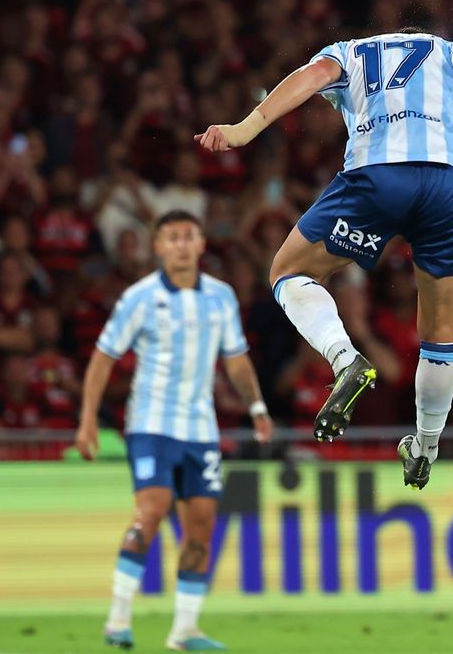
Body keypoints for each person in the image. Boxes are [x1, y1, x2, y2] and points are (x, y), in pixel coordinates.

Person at [195, 29, 453, 488]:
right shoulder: (444, 51)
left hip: (379, 174)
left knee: (289, 271)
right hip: (452, 180)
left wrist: (242, 129)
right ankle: (426, 446)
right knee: (442, 328)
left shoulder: (348, 54)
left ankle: (344, 358)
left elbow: (309, 78)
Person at [73, 210, 273, 651]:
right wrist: (88, 419)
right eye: (172, 237)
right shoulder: (139, 298)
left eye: (189, 236)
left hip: (201, 430)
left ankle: (184, 630)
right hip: (150, 424)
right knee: (152, 510)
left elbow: (236, 358)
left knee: (201, 526)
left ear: (202, 244)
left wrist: (256, 406)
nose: (182, 244)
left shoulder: (221, 297)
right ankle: (118, 619)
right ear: (158, 246)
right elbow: (104, 356)